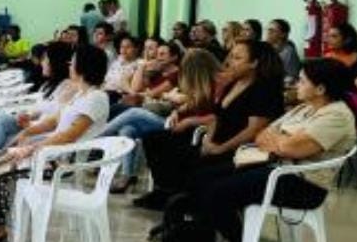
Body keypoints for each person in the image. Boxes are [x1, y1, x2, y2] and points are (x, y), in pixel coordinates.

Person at [197, 58, 356, 242]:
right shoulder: (305, 108)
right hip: (278, 169)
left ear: (320, 88)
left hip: (303, 185)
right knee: (204, 177)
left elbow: (293, 148)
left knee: (218, 193)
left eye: (302, 81)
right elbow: (262, 135)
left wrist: (282, 142)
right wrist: (283, 142)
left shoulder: (336, 116)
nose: (296, 85)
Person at [0, 44, 110, 242]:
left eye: (74, 60)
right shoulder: (81, 94)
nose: (70, 64)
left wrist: (33, 147)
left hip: (60, 161)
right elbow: (53, 121)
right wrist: (27, 132)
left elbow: (69, 136)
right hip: (50, 152)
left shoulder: (97, 98)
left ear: (83, 66)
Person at [134, 40, 285, 209]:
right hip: (216, 141)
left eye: (237, 58)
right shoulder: (235, 83)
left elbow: (253, 130)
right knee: (154, 139)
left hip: (238, 149)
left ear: (254, 63)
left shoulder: (264, 89)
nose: (230, 62)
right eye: (231, 56)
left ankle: (180, 205)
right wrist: (208, 140)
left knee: (186, 164)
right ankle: (170, 196)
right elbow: (216, 117)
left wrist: (220, 148)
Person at [103, 49, 222, 193]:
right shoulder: (201, 86)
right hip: (174, 121)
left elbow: (214, 116)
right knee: (127, 129)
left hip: (185, 128)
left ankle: (100, 134)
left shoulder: (215, 87)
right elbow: (187, 105)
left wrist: (187, 119)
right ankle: (127, 176)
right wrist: (175, 112)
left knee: (134, 113)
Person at [0, 41, 75, 178]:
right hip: (34, 124)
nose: (42, 62)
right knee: (0, 119)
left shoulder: (69, 88)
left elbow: (57, 121)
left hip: (43, 131)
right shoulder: (50, 84)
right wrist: (28, 115)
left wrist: (31, 125)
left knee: (0, 123)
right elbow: (40, 109)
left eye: (45, 59)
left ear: (56, 62)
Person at [103, 35, 141, 102]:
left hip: (120, 95)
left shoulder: (138, 64)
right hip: (105, 92)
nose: (124, 50)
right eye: (122, 47)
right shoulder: (116, 63)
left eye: (128, 47)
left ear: (136, 49)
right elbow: (106, 80)